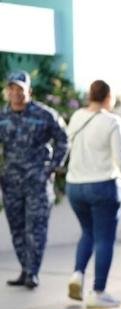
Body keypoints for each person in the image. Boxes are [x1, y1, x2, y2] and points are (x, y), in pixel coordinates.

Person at [64, 79, 121, 307]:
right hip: (102, 186)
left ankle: (77, 274)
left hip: (75, 186)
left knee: (87, 232)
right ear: (108, 97)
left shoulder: (76, 117)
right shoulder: (112, 121)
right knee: (104, 239)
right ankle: (98, 292)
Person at [0, 70, 69, 289]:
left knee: (36, 229)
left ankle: (32, 272)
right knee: (17, 229)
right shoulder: (2, 117)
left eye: (20, 89)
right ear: (7, 91)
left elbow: (63, 140)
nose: (15, 93)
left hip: (37, 182)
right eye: (12, 88)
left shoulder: (44, 114)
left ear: (29, 91)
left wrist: (50, 168)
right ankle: (25, 269)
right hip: (11, 183)